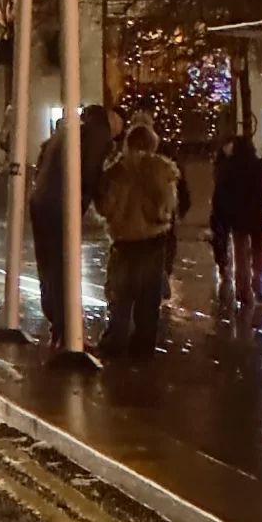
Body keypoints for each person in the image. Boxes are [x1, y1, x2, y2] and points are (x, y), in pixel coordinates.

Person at [97, 120, 183, 354]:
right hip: (153, 240)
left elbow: (105, 206)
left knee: (120, 295)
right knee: (148, 298)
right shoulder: (162, 170)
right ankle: (143, 346)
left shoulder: (117, 171)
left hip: (124, 241)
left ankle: (114, 341)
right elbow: (168, 206)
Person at [210, 129, 262, 310]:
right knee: (258, 250)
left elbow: (221, 192)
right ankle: (258, 285)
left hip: (237, 215)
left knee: (240, 252)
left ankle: (243, 290)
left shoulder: (228, 167)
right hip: (256, 213)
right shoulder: (258, 166)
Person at [28, 126, 66, 342]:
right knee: (56, 267)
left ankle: (56, 318)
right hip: (53, 211)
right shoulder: (55, 154)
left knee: (49, 268)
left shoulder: (47, 151)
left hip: (43, 209)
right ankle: (60, 321)